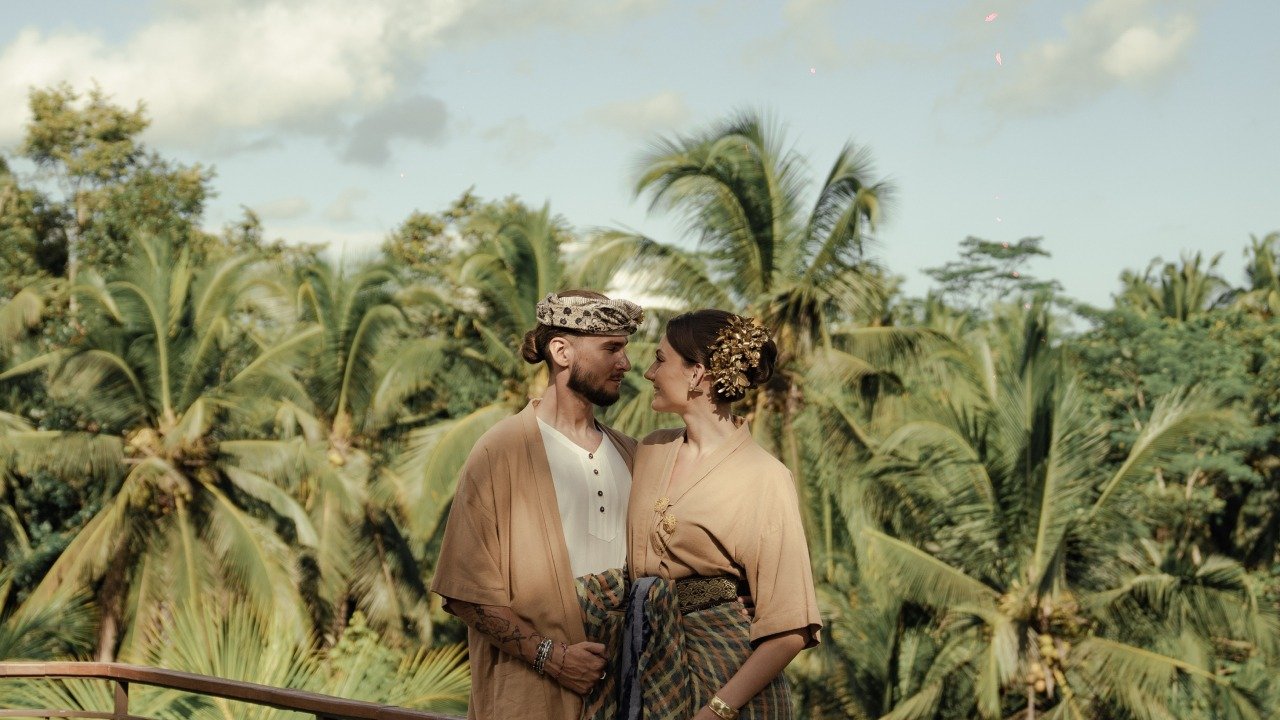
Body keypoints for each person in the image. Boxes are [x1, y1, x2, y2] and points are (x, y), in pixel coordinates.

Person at [431, 290, 643, 720]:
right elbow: (463, 592)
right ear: (561, 351)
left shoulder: (631, 454)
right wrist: (552, 657)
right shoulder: (501, 451)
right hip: (530, 700)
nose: (625, 363)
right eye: (611, 348)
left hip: (623, 698)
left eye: (625, 349)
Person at [622, 309, 822, 720]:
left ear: (696, 373)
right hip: (650, 669)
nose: (648, 372)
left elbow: (791, 629)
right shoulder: (650, 449)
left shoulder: (764, 477)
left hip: (727, 684)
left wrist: (714, 711)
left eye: (661, 359)